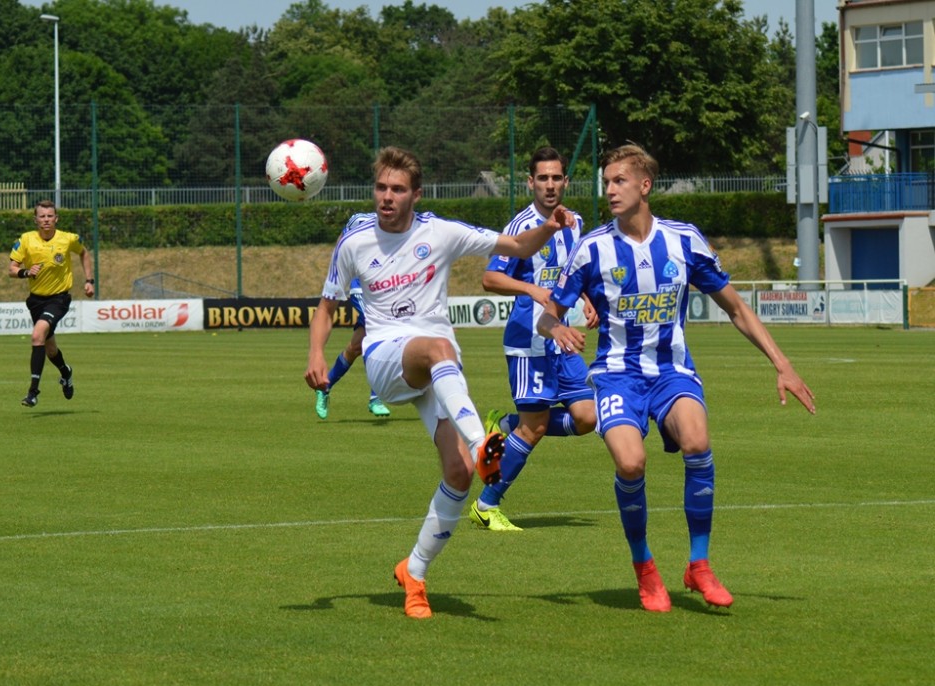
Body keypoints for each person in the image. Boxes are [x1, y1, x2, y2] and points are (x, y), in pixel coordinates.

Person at [537, 144, 816, 612]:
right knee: (631, 464)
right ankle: (645, 567)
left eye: (619, 181)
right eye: (606, 182)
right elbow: (548, 313)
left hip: (671, 371)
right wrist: (557, 328)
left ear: (645, 185)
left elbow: (736, 308)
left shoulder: (684, 240)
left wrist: (782, 363)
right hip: (616, 375)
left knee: (697, 441)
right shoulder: (592, 248)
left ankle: (699, 564)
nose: (610, 190)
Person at [305, 146, 575, 619]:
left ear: (416, 194)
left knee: (459, 473)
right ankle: (482, 441)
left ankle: (415, 572)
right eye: (381, 188)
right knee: (438, 349)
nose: (386, 197)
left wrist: (550, 228)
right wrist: (315, 355)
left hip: (436, 368)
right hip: (387, 357)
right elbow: (327, 307)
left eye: (397, 189)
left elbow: (516, 247)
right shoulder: (354, 242)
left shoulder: (442, 232)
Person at [471, 147, 598, 531]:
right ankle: (486, 505)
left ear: (566, 182)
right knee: (536, 427)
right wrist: (532, 289)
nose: (550, 185)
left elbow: (572, 272)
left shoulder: (574, 223)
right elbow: (490, 278)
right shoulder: (520, 227)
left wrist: (587, 298)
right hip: (529, 343)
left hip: (561, 340)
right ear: (530, 182)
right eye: (542, 178)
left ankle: (506, 423)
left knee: (587, 417)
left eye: (556, 177)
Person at [8, 199, 94, 407]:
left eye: (49, 216)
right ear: (36, 220)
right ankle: (66, 372)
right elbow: (12, 269)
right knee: (50, 349)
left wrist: (89, 280)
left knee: (37, 335)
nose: (46, 220)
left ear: (56, 218)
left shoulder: (68, 239)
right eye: (42, 216)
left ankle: (33, 392)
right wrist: (26, 272)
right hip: (36, 301)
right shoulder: (26, 240)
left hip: (59, 299)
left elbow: (84, 253)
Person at [314, 214, 391, 420]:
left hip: (381, 291)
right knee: (379, 332)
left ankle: (325, 387)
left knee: (355, 347)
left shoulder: (401, 225)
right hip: (359, 287)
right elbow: (340, 245)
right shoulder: (358, 220)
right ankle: (376, 398)